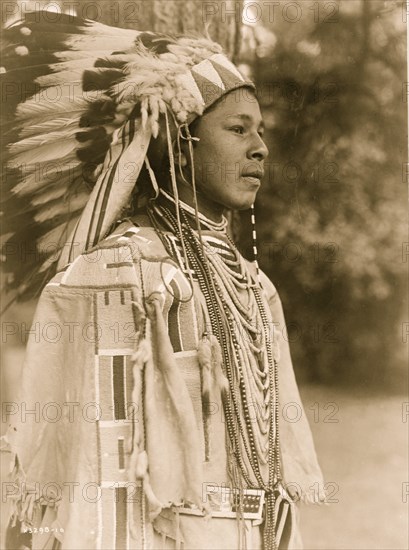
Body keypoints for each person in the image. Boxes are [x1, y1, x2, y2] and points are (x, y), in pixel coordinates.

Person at [1, 11, 324, 550]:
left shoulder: (256, 288)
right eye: (238, 129)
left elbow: (278, 463)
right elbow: (93, 468)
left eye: (260, 131)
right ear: (181, 144)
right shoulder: (121, 274)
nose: (260, 147)